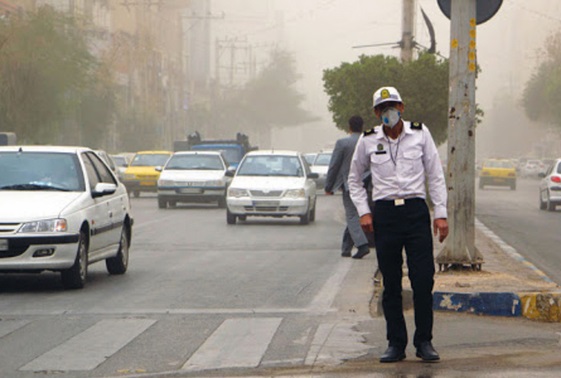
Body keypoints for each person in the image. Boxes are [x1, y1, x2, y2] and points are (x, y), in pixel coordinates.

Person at [348, 86, 448, 363]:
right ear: (376, 113)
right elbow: (354, 179)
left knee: (422, 278)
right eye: (382, 108)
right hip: (385, 215)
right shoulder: (368, 140)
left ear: (402, 107)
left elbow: (435, 174)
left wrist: (440, 213)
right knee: (391, 283)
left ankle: (424, 341)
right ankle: (395, 343)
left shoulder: (420, 133)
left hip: (415, 212)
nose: (388, 112)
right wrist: (364, 212)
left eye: (392, 106)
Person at [324, 115, 370, 259]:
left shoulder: (343, 143)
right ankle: (346, 248)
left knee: (351, 215)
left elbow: (334, 165)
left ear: (349, 127)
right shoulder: (369, 141)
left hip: (350, 185)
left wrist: (328, 186)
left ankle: (362, 245)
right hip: (368, 184)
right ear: (362, 126)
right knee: (355, 215)